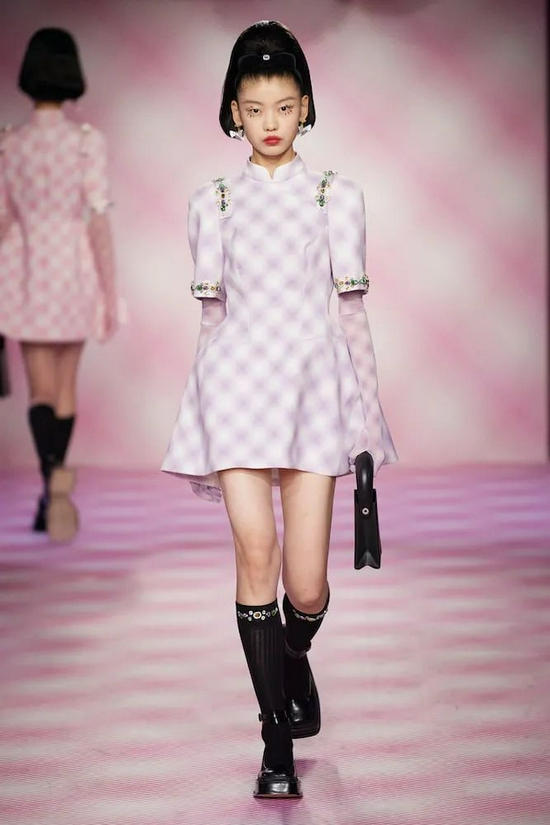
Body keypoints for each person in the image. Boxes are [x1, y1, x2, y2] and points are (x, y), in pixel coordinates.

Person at [163, 20, 397, 798]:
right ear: (233, 111)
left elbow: (352, 314)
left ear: (306, 108)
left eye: (285, 106)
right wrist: (196, 418)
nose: (271, 122)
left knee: (307, 585)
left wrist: (367, 418)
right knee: (255, 554)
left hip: (312, 392)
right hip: (234, 391)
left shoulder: (337, 195)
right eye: (255, 107)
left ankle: (294, 656)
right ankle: (275, 741)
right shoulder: (213, 200)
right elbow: (211, 320)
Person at [0, 28, 118, 542]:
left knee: (40, 389)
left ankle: (51, 486)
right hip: (74, 268)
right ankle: (56, 490)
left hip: (25, 267)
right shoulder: (87, 142)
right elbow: (99, 220)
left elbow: (1, 220)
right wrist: (110, 291)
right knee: (66, 386)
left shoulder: (10, 143)